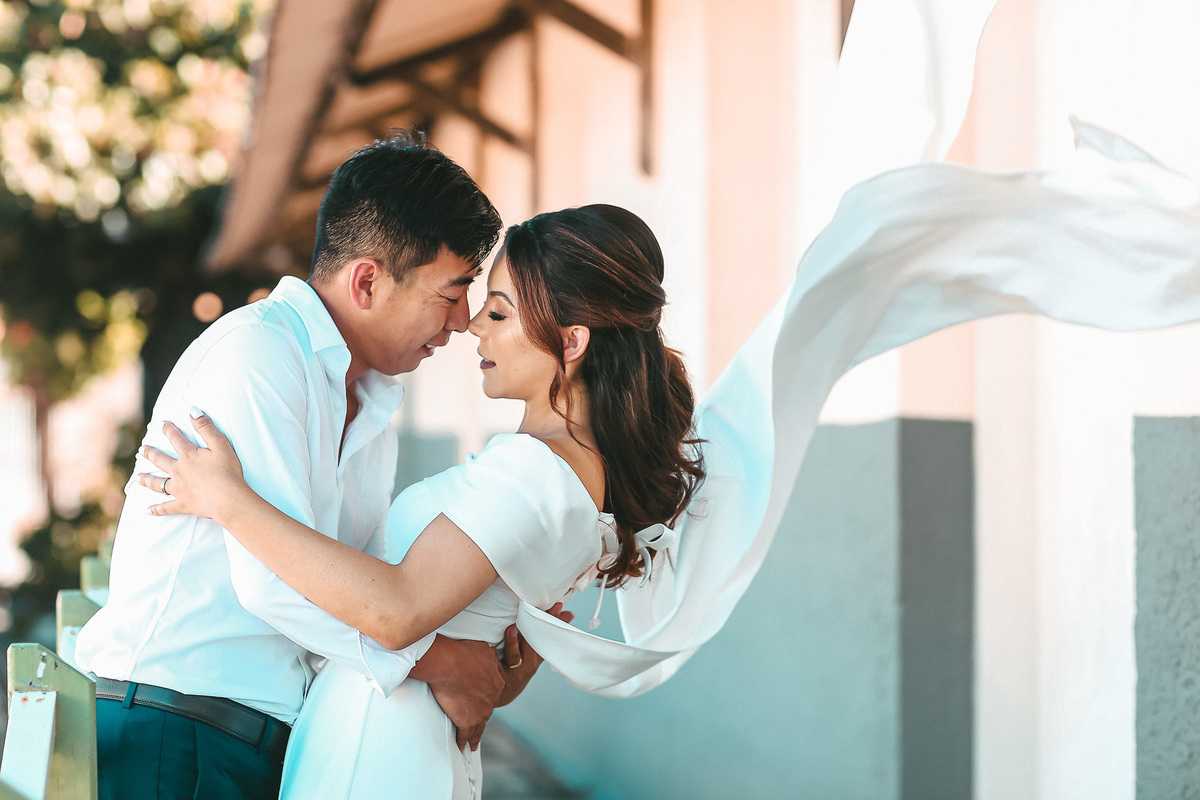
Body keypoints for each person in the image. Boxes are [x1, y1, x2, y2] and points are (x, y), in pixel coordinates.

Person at [139, 203, 705, 798]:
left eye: (500, 309)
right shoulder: (574, 471)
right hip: (408, 734)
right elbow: (501, 663)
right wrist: (481, 673)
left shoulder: (536, 469)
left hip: (381, 738)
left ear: (571, 342)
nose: (474, 325)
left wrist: (228, 499)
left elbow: (397, 611)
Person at [74, 131, 523, 800]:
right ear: (367, 280)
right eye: (451, 292)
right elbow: (275, 583)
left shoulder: (368, 398)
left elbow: (360, 589)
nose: (461, 321)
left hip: (250, 736)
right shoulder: (261, 356)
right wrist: (442, 663)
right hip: (175, 726)